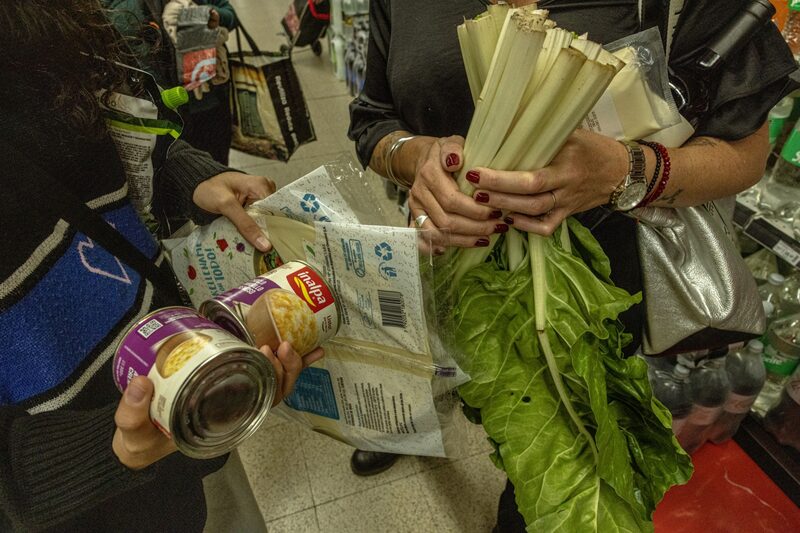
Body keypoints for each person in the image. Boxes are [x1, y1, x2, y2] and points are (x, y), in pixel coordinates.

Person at [348, 0, 798, 530]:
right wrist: (418, 158)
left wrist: (625, 170)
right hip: (440, 264)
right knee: (428, 378)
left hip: (582, 305)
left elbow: (744, 152)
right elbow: (373, 123)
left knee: (554, 469)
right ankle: (406, 423)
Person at [0, 1, 320, 531]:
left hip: (173, 377)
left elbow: (107, 135)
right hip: (65, 489)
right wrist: (108, 448)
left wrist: (187, 175)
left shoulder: (45, 21)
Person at [102, 0, 238, 165]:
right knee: (185, 170)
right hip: (169, 113)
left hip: (212, 100)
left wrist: (214, 14)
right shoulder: (122, 8)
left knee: (219, 162)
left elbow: (230, 15)